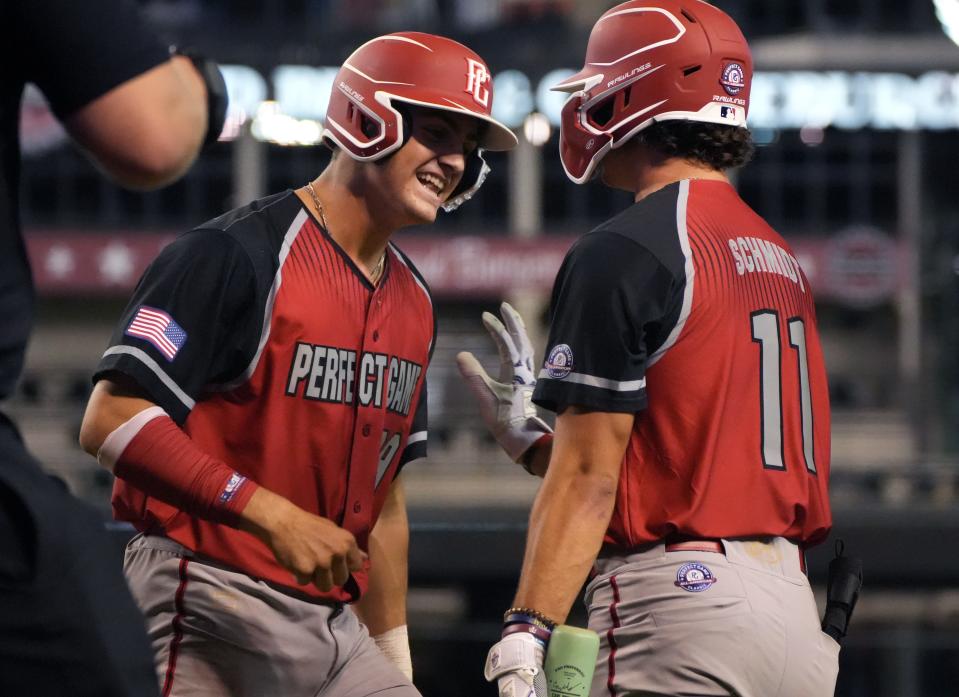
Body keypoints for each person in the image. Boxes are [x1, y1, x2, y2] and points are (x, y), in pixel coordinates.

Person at [79, 31, 516, 697]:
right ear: (369, 121)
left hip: (333, 624)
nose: (454, 161)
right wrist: (270, 513)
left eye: (467, 147)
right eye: (436, 133)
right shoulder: (232, 253)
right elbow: (110, 419)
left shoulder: (414, 301)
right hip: (205, 591)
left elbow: (385, 500)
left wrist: (393, 655)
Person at [458, 2, 839, 695]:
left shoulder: (629, 244)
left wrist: (526, 625)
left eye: (599, 87)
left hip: (679, 607)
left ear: (636, 94)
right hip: (795, 621)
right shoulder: (780, 257)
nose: (588, 103)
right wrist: (535, 448)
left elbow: (589, 481)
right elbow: (696, 467)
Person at [1, 2, 225, 695]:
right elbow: (151, 133)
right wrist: (202, 87)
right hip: (197, 573)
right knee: (96, 656)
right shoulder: (233, 260)